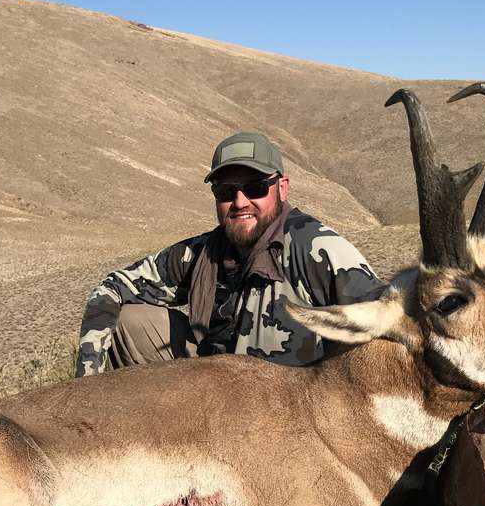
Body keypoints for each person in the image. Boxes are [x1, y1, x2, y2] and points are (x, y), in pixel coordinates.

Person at [76, 131, 388, 376]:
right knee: (128, 320)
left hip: (294, 412)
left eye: (255, 187)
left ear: (282, 188)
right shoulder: (205, 252)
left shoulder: (317, 247)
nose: (239, 202)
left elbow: (386, 319)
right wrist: (86, 383)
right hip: (219, 392)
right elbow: (113, 287)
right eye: (226, 191)